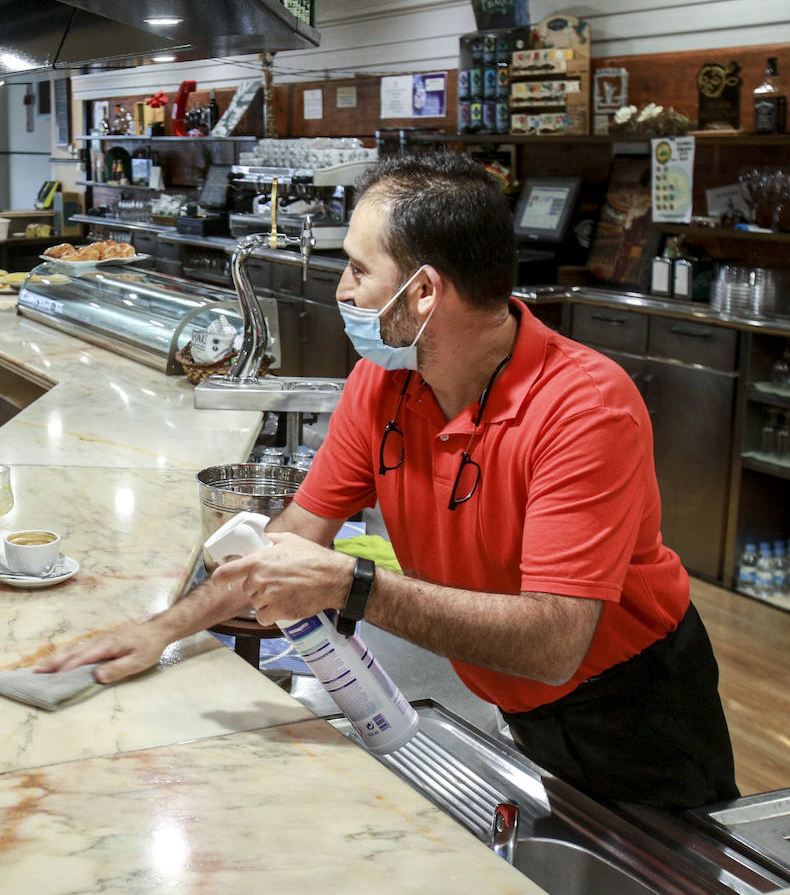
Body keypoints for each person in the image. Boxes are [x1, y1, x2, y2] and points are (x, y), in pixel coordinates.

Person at [43, 152, 739, 812]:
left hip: (635, 706)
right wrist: (161, 631)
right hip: (514, 696)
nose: (342, 289)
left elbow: (554, 645)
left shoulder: (583, 407)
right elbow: (288, 544)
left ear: (425, 291)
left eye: (358, 268)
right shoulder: (381, 385)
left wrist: (351, 586)